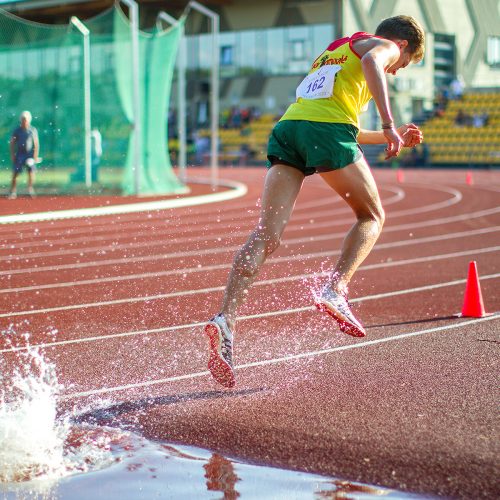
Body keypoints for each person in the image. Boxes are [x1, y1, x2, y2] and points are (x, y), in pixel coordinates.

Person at [204, 15, 425, 388]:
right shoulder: (381, 47)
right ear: (401, 46)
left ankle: (226, 319)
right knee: (372, 216)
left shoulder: (336, 50)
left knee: (267, 234)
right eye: (403, 65)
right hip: (324, 131)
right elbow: (369, 70)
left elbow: (336, 120)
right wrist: (389, 124)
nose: (397, 71)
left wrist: (394, 134)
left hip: (289, 129)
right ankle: (335, 289)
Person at [8, 110, 39, 199]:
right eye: (23, 119)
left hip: (29, 155)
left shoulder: (32, 130)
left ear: (29, 120)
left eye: (25, 119)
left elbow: (36, 144)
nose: (24, 121)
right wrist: (13, 155)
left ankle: (30, 189)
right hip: (20, 154)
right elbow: (12, 143)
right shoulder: (17, 130)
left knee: (31, 172)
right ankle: (13, 191)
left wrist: (35, 156)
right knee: (15, 173)